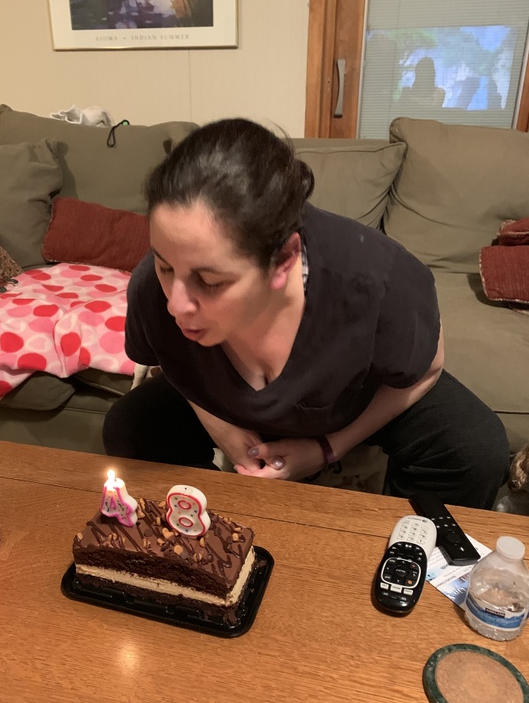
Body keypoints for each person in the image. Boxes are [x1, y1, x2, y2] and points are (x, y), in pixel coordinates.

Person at [103, 118, 510, 509]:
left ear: (284, 260)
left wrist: (327, 448)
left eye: (209, 281)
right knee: (130, 427)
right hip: (231, 426)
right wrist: (220, 426)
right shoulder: (151, 289)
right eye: (165, 265)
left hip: (353, 402)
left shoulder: (379, 282)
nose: (176, 304)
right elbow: (173, 363)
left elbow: (429, 367)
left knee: (474, 447)